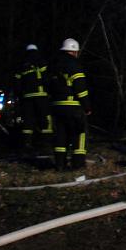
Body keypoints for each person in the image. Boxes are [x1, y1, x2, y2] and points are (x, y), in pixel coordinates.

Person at [48, 38, 92, 171]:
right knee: (79, 134)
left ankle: (60, 165)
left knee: (61, 135)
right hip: (73, 106)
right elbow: (81, 88)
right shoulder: (74, 65)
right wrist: (87, 106)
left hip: (57, 106)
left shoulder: (54, 65)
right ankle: (78, 165)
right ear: (74, 52)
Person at [13, 44, 52, 150]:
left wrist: (20, 95)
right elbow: (47, 79)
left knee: (28, 120)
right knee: (44, 119)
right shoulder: (41, 62)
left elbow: (16, 83)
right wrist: (50, 92)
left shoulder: (21, 65)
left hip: (27, 98)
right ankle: (45, 142)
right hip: (41, 96)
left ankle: (27, 143)